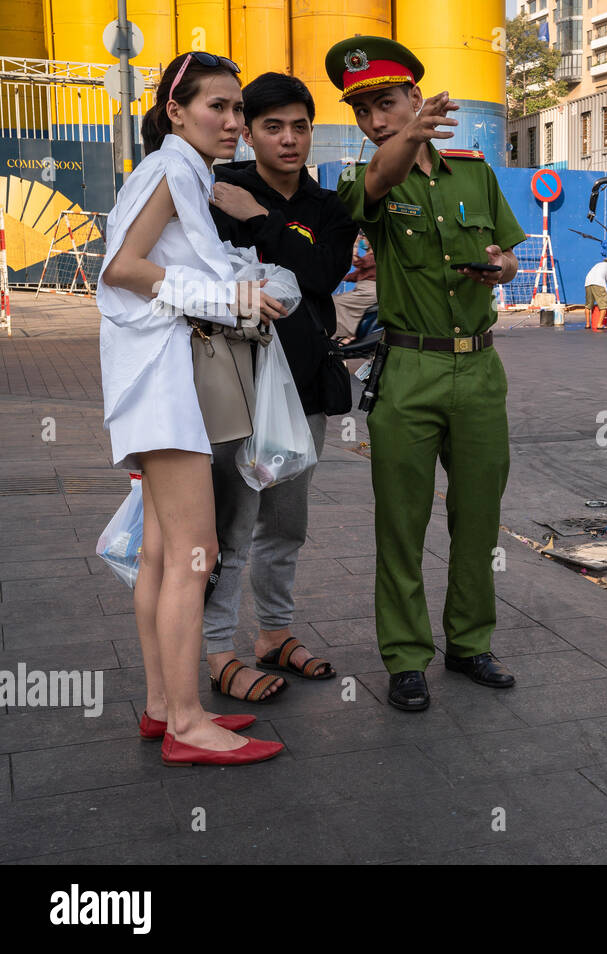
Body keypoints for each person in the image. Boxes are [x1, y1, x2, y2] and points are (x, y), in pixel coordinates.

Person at [326, 37, 528, 710]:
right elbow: (378, 182)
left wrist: (500, 268)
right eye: (363, 112)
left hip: (478, 367)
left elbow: (511, 259)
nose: (376, 121)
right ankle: (406, 658)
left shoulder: (473, 171)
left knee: (477, 519)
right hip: (408, 369)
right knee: (402, 522)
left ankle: (470, 644)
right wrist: (405, 139)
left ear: (416, 94)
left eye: (388, 104)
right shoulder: (366, 179)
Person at [98, 51, 285, 766]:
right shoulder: (173, 168)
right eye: (220, 107)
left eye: (239, 108)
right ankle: (185, 721)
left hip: (151, 385)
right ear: (176, 111)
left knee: (159, 554)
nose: (234, 121)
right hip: (165, 385)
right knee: (192, 555)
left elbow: (159, 265)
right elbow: (124, 271)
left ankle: (161, 706)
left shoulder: (177, 170)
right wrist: (231, 297)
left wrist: (239, 279)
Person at [204, 71, 357, 702]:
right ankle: (217, 651)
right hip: (235, 389)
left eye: (299, 126)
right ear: (248, 131)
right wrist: (260, 218)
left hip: (304, 387)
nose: (288, 139)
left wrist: (264, 221)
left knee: (285, 525)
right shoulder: (219, 190)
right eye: (272, 127)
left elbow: (321, 273)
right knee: (231, 529)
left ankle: (273, 634)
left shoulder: (329, 207)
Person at [333, 231, 378, 343]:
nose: (364, 240)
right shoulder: (369, 258)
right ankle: (345, 334)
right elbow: (354, 275)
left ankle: (345, 334)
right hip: (363, 290)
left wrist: (356, 244)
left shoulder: (374, 257)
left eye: (365, 238)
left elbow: (356, 262)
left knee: (338, 301)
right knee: (339, 300)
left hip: (368, 291)